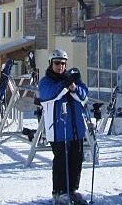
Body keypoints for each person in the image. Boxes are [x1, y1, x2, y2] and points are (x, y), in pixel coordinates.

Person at [38, 48, 89, 205]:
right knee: (61, 162)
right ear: (51, 64)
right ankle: (59, 192)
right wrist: (66, 85)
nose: (60, 66)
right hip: (58, 130)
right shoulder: (46, 82)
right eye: (57, 63)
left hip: (76, 129)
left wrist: (74, 87)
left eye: (63, 63)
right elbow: (50, 95)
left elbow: (84, 96)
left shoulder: (71, 79)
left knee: (77, 160)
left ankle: (72, 190)